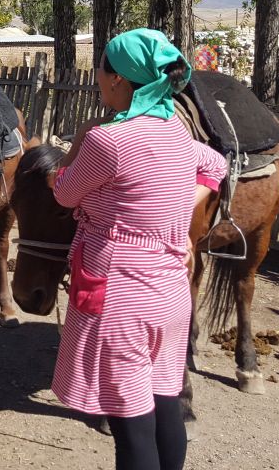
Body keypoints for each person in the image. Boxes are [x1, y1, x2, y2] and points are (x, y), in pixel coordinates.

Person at [51, 28, 227, 470]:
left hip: (120, 296)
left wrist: (77, 143)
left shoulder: (107, 140)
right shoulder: (176, 132)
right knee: (165, 402)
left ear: (118, 79)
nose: (97, 76)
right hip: (170, 291)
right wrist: (176, 218)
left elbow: (64, 194)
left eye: (101, 68)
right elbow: (215, 164)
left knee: (131, 427)